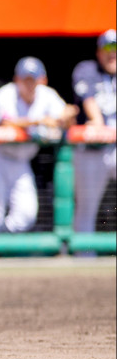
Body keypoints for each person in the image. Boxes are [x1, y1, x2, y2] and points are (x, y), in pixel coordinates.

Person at [0, 57, 77, 233]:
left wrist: (67, 116)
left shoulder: (47, 95)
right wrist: (40, 121)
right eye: (26, 79)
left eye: (33, 79)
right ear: (17, 79)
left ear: (42, 80)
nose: (30, 84)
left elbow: (66, 119)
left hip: (21, 161)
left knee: (26, 215)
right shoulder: (5, 93)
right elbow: (7, 122)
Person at [71, 29, 116, 232]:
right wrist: (96, 119)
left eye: (115, 47)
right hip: (92, 149)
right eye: (107, 47)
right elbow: (88, 99)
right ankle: (82, 257)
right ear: (99, 52)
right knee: (86, 209)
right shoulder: (87, 69)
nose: (112, 52)